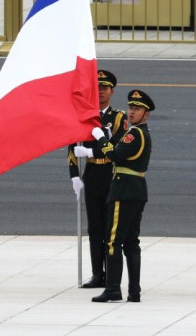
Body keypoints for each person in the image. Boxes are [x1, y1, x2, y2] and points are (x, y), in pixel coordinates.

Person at [88, 89, 154, 303]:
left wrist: (100, 140)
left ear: (146, 114)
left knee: (113, 241)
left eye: (137, 109)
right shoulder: (141, 133)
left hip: (123, 189)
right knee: (132, 242)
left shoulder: (134, 133)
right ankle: (134, 291)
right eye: (131, 108)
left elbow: (115, 156)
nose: (131, 112)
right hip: (137, 189)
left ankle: (113, 289)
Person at [69, 70, 127, 289]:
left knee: (110, 228)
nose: (101, 91)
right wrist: (74, 175)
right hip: (92, 174)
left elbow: (118, 148)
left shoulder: (119, 118)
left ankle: (111, 274)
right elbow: (72, 146)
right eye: (98, 88)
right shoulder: (84, 114)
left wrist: (93, 153)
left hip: (110, 173)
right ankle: (97, 273)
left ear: (112, 91)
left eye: (105, 88)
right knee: (94, 227)